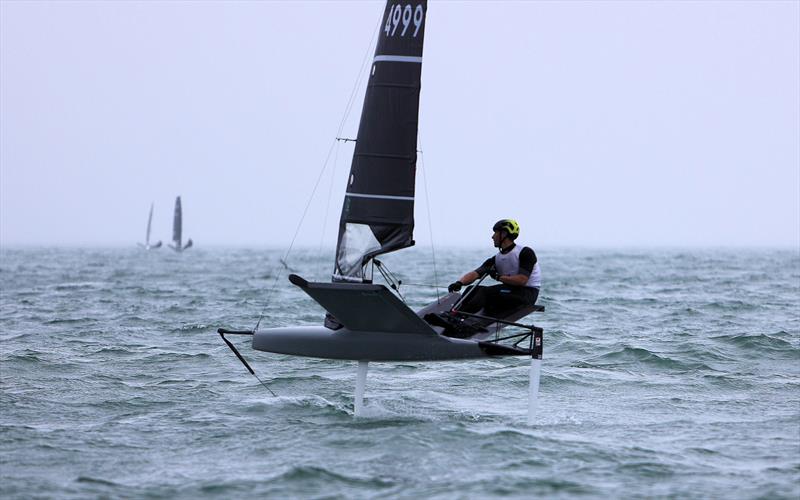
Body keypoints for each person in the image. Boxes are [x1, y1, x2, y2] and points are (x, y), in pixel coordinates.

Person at [447, 219, 541, 319]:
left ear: (504, 234)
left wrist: (498, 277)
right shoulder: (497, 258)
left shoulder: (525, 253)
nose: (492, 237)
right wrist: (459, 283)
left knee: (485, 292)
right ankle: (452, 314)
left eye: (495, 233)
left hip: (527, 294)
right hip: (511, 291)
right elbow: (476, 273)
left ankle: (460, 317)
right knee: (471, 289)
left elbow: (522, 280)